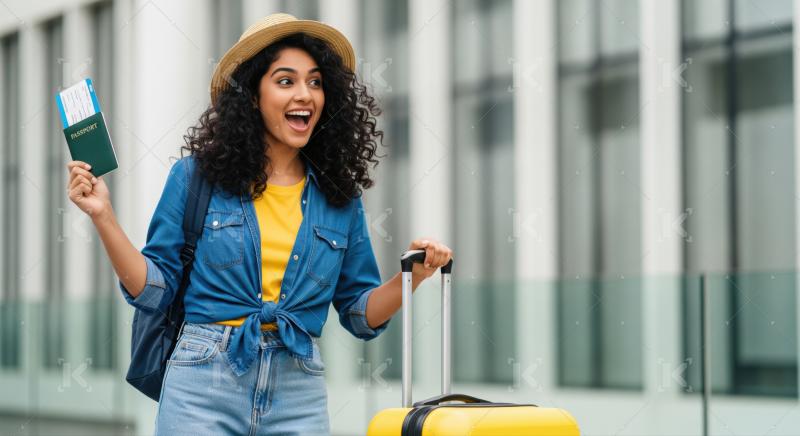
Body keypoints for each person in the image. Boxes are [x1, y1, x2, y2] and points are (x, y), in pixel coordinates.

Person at [65, 13, 452, 436]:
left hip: (297, 386)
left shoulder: (340, 196)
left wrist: (410, 277)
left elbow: (359, 315)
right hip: (202, 383)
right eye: (285, 81)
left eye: (316, 81)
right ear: (252, 95)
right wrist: (103, 216)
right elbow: (154, 289)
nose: (305, 94)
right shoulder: (196, 177)